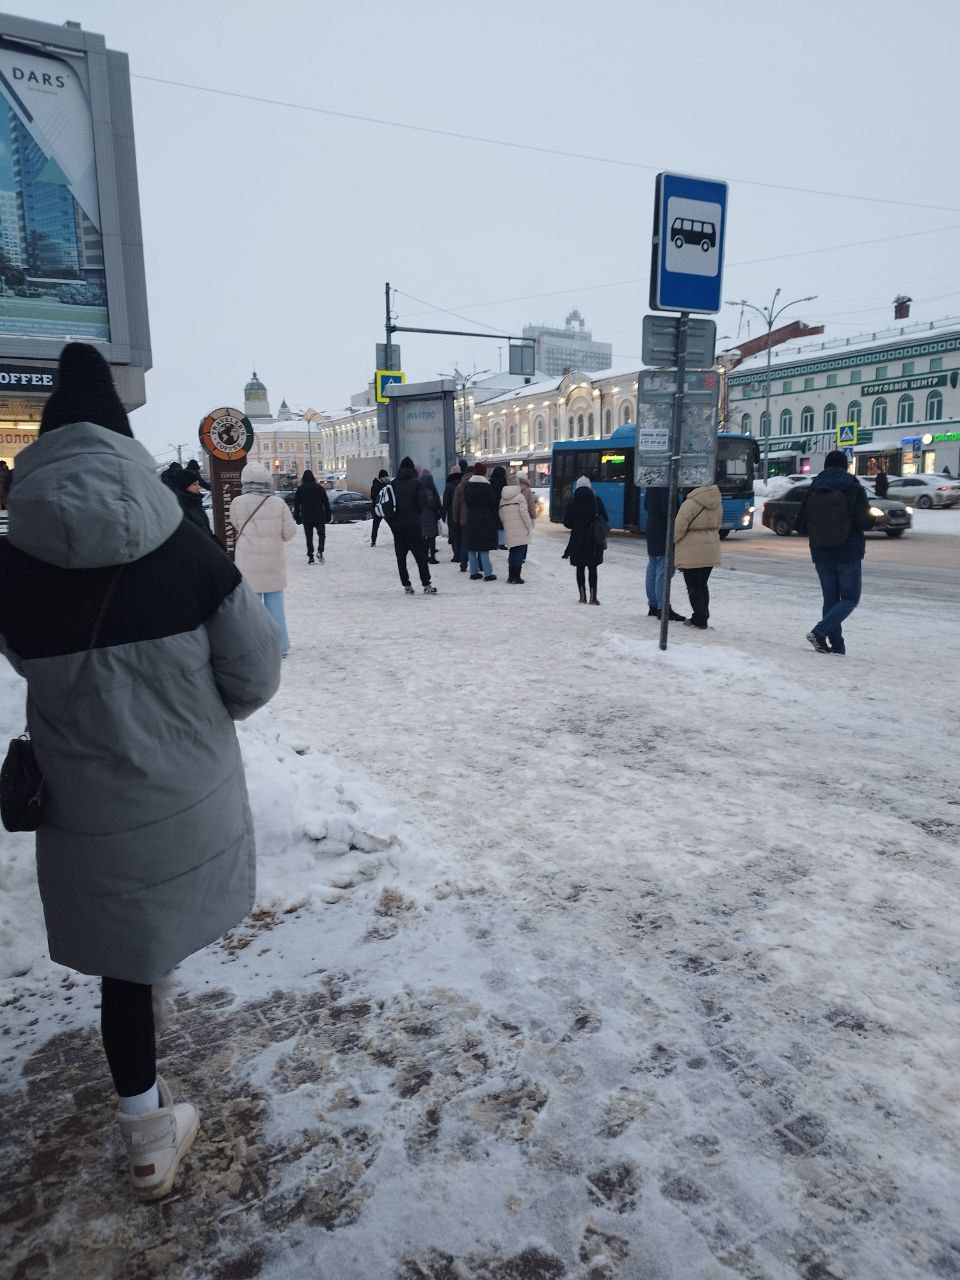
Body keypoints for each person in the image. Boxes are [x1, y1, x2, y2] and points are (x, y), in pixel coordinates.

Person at [0, 342, 281, 1201]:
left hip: (85, 811)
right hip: (188, 796)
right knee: (150, 936)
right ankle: (157, 1037)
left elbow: (28, 661)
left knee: (122, 969)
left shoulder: (10, 563)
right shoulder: (186, 546)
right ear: (123, 439)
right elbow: (256, 674)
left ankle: (147, 1134)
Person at [795, 449, 874, 656]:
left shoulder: (814, 487)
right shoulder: (854, 487)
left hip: (821, 553)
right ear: (845, 466)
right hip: (848, 552)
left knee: (830, 600)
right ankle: (820, 632)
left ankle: (837, 647)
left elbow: (801, 524)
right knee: (850, 598)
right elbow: (865, 522)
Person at [229, 462, 298, 654]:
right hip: (272, 563)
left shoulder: (238, 502)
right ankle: (280, 646)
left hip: (247, 562)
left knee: (250, 610)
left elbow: (235, 523)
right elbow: (290, 532)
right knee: (275, 607)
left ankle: (252, 648)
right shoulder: (278, 503)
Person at [674, 482, 722, 629]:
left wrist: (674, 541)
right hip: (711, 548)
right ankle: (703, 615)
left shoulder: (689, 504)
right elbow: (718, 524)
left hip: (692, 551)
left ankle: (700, 619)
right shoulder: (717, 503)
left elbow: (679, 529)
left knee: (693, 586)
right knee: (702, 584)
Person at [388, 456, 436, 595]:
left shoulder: (393, 483)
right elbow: (423, 504)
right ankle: (426, 585)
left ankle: (406, 586)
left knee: (401, 557)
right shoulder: (417, 483)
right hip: (413, 525)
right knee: (420, 556)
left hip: (398, 526)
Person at [562, 475, 607, 604]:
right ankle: (593, 598)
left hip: (577, 540)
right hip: (594, 540)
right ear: (589, 486)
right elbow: (605, 518)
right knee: (593, 569)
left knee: (579, 568)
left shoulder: (572, 502)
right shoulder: (596, 500)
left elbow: (567, 523)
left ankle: (582, 597)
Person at [644, 487, 685, 622]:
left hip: (652, 528)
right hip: (663, 531)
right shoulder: (666, 484)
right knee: (663, 569)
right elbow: (667, 509)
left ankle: (653, 605)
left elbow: (646, 505)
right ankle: (663, 607)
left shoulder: (652, 484)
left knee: (653, 567)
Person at [464, 462, 499, 581]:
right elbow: (493, 503)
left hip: (471, 518)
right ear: (484, 472)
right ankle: (488, 573)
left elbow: (467, 502)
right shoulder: (487, 487)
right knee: (484, 547)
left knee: (472, 546)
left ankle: (473, 573)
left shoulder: (468, 486)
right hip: (485, 519)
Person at [168, 464, 218, 542]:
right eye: (194, 484)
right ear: (184, 486)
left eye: (198, 484)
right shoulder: (181, 507)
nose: (198, 487)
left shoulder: (195, 502)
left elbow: (205, 529)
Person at [292, 469, 332, 564]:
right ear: (313, 477)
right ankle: (320, 551)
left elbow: (296, 505)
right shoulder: (319, 488)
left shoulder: (300, 489)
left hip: (307, 516)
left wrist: (297, 518)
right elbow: (326, 503)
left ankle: (311, 557)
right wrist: (328, 515)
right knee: (321, 535)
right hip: (319, 516)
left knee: (309, 537)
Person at [499, 474, 533, 583]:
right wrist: (529, 526)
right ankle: (517, 577)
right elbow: (524, 513)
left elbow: (501, 514)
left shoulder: (503, 498)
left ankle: (510, 576)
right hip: (520, 528)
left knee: (512, 551)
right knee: (519, 552)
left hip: (509, 529)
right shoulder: (519, 497)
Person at [452, 465, 474, 573]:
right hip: (476, 518)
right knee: (476, 542)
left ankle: (463, 565)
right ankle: (477, 565)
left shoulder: (460, 486)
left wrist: (455, 518)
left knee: (464, 542)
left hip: (464, 519)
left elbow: (456, 505)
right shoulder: (477, 483)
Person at [440, 463, 463, 562]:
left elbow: (446, 501)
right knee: (461, 534)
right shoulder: (463, 483)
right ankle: (462, 554)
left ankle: (456, 555)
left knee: (453, 534)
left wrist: (443, 514)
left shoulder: (449, 485)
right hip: (463, 513)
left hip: (452, 513)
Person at [419, 467, 442, 564]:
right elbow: (433, 503)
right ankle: (432, 558)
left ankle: (424, 557)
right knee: (431, 538)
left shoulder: (419, 490)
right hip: (430, 516)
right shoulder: (430, 491)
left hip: (422, 516)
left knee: (425, 537)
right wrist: (438, 511)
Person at [489, 465, 508, 549]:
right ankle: (501, 543)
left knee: (493, 524)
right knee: (501, 525)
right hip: (502, 505)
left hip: (492, 506)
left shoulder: (490, 482)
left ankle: (493, 542)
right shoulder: (504, 482)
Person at [369, 468, 389, 547]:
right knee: (376, 525)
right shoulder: (376, 485)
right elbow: (373, 497)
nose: (386, 478)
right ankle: (373, 541)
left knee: (376, 525)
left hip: (383, 508)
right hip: (378, 509)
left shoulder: (383, 484)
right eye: (385, 477)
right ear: (381, 477)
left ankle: (373, 541)